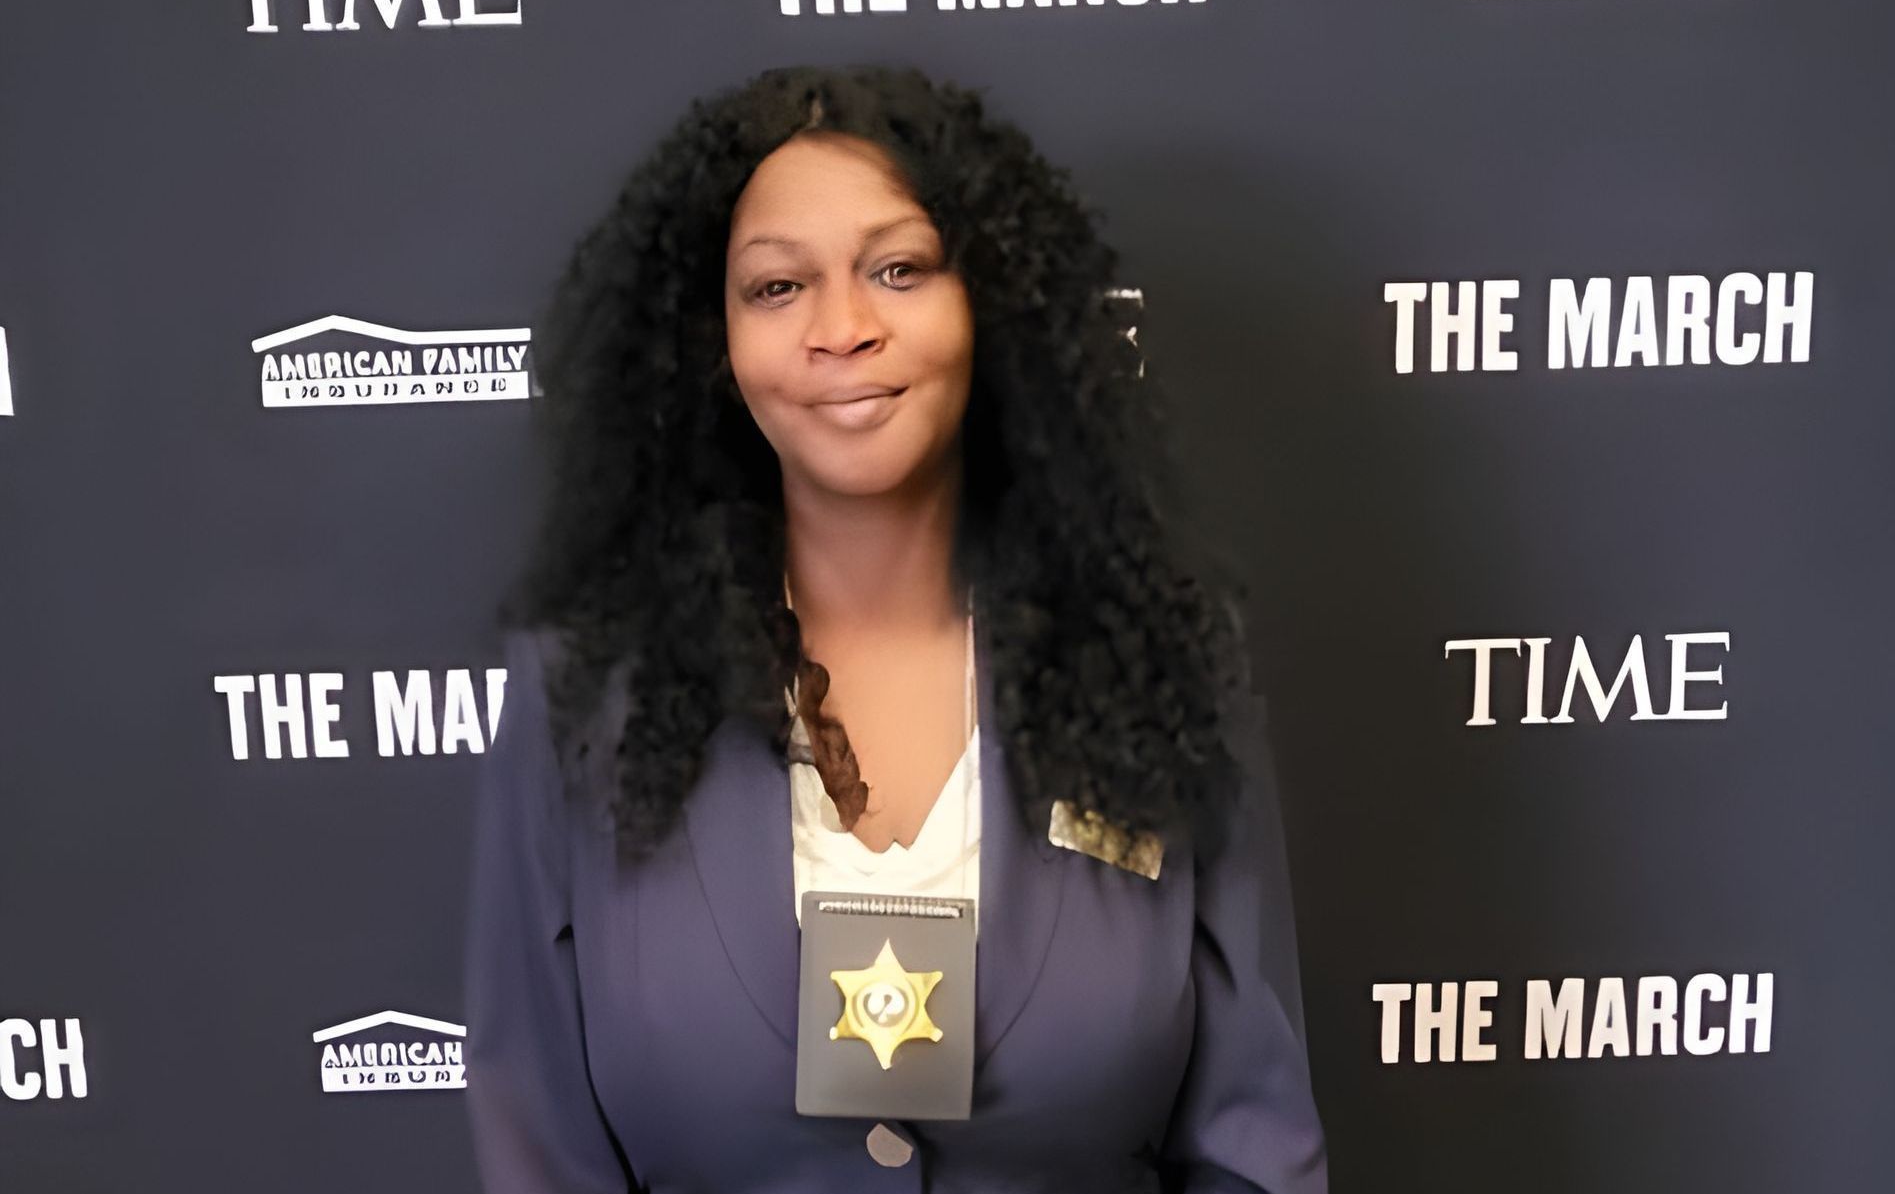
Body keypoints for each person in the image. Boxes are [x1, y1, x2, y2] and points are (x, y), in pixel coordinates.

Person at [463, 63, 1328, 1193]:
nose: (843, 329)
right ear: (710, 341)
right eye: (777, 288)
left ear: (992, 302)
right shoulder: (582, 692)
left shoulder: (1167, 659)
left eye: (899, 269)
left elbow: (1250, 1143)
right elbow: (540, 1151)